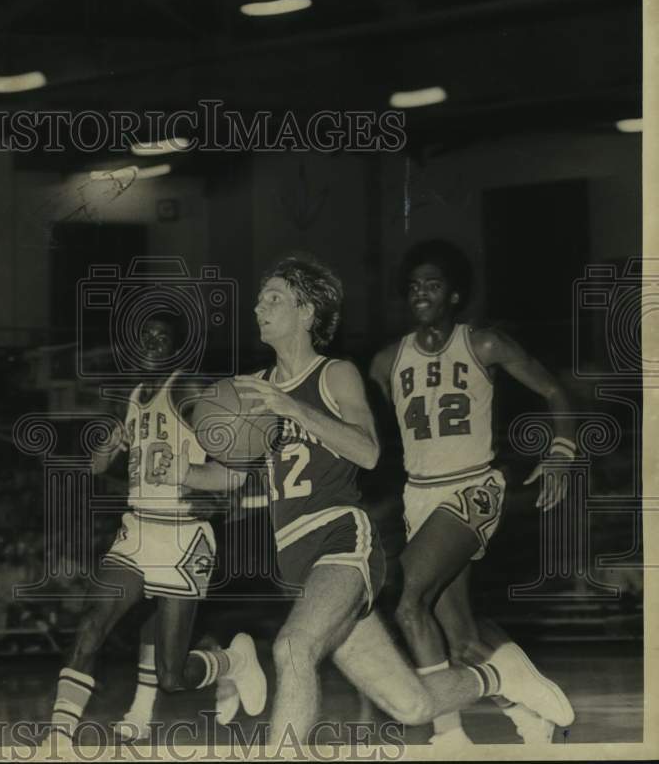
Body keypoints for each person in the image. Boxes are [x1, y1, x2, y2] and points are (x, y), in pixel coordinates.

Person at [158, 254, 574, 748]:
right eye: (259, 298)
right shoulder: (253, 390)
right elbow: (230, 478)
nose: (257, 307)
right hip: (294, 559)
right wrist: (181, 471)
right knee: (411, 704)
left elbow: (369, 451)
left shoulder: (335, 375)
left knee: (293, 649)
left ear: (307, 312)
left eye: (273, 298)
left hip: (341, 542)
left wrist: (292, 407)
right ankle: (499, 677)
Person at [369, 240, 576, 747]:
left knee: (409, 600)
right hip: (420, 495)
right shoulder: (385, 362)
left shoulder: (483, 343)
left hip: (473, 488)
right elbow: (364, 432)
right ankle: (529, 713)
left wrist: (562, 451)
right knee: (460, 640)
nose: (421, 292)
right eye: (414, 285)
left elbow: (552, 389)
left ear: (455, 295)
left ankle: (448, 734)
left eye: (432, 284)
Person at [42, 316, 266, 750]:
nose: (151, 343)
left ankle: (233, 660)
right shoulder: (135, 396)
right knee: (92, 624)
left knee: (172, 675)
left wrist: (189, 472)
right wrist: (106, 450)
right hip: (138, 529)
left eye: (163, 337)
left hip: (184, 538)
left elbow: (236, 473)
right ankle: (58, 739)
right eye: (145, 335)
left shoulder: (191, 389)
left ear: (178, 349)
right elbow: (95, 467)